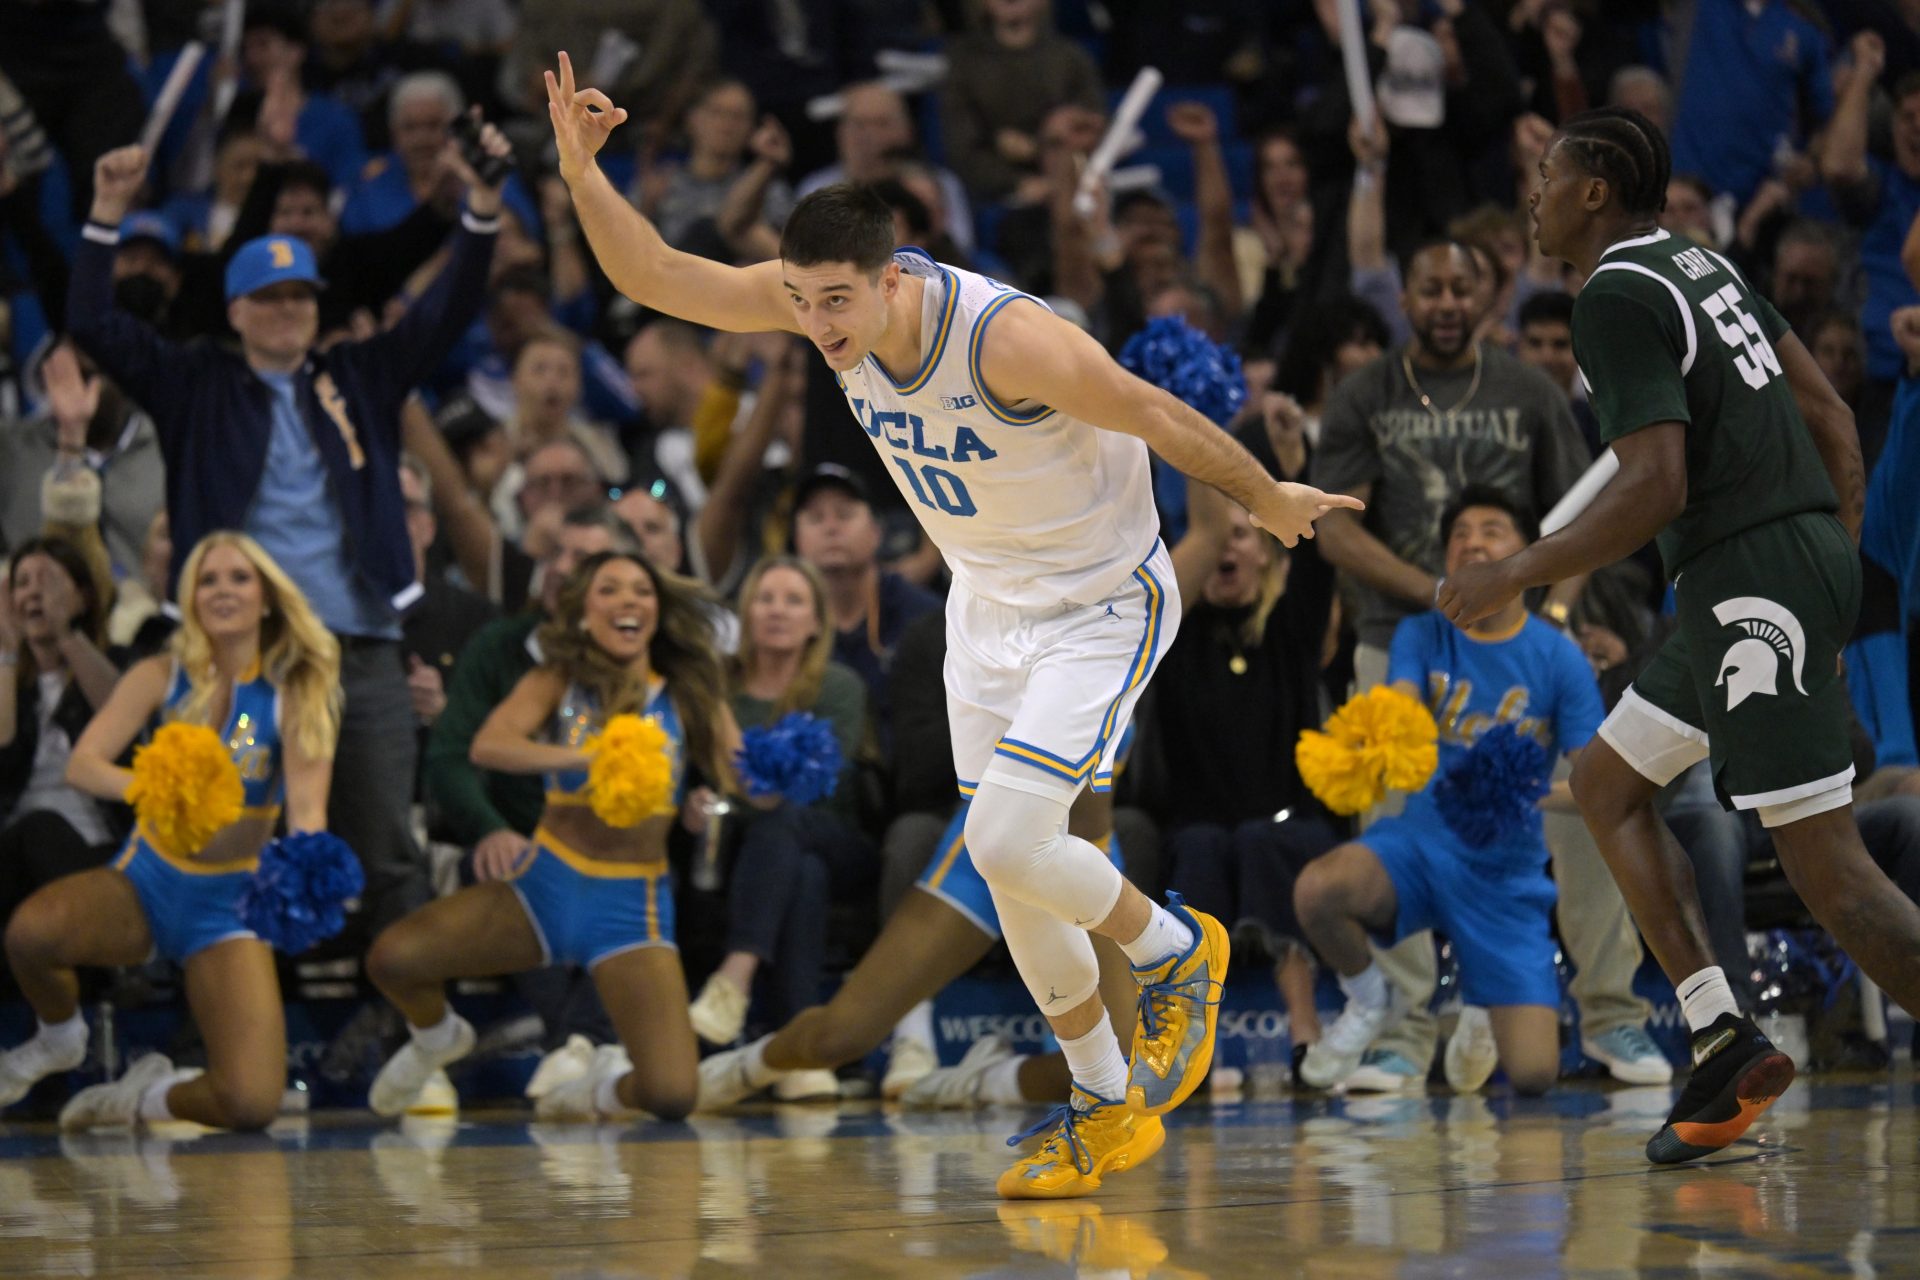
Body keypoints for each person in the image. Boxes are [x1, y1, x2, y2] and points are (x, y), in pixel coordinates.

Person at [545, 51, 1359, 1199]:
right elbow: (662, 275)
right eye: (805, 299)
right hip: (986, 606)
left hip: (1097, 601)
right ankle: (1102, 1104)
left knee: (1011, 841)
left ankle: (1182, 951)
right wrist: (581, 171)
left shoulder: (1007, 340)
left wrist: (1270, 496)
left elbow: (1154, 407)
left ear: (891, 281)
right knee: (1019, 876)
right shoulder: (810, 297)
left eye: (840, 300)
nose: (821, 325)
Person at [1441, 106, 1920, 1163]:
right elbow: (1835, 417)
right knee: (1608, 783)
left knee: (1830, 873)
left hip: (1749, 575)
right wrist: (1825, 570)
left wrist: (1516, 566)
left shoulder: (1614, 292)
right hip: (1768, 572)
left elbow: (1655, 484)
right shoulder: (1701, 264)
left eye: (1547, 176)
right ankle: (1719, 1033)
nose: (1534, 196)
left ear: (1596, 190)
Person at [66, 126, 510, 950]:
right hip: (236, 661)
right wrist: (104, 216)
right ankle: (227, 1030)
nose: (288, 310)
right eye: (269, 299)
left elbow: (446, 312)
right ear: (235, 312)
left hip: (360, 646)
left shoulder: (359, 376)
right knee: (218, 839)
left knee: (387, 849)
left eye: (301, 296)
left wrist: (481, 210)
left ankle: (411, 1027)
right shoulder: (193, 382)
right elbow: (92, 321)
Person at [364, 550, 729, 1122]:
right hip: (543, 888)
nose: (628, 601)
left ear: (658, 611)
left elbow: (743, 773)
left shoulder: (687, 691)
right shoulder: (557, 679)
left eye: (641, 591)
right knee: (393, 958)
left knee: (672, 1095)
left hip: (632, 911)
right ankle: (436, 1037)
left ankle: (591, 1094)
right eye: (609, 590)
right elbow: (489, 744)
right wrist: (587, 756)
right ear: (584, 611)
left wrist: (772, 775)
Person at [0, 533, 340, 1129]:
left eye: (239, 578)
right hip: (147, 881)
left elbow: (309, 813)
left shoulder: (296, 693)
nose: (223, 591)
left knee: (251, 1103)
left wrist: (304, 885)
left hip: (229, 906)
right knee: (30, 934)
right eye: (208, 580)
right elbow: (85, 762)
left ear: (266, 598)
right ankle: (59, 1036)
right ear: (190, 597)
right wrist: (148, 787)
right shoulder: (162, 673)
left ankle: (143, 1097)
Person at [1297, 489, 1605, 1096]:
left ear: (1526, 556)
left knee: (1537, 1075)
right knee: (1318, 891)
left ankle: (1480, 1008)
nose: (1473, 541)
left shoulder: (1558, 658)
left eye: (1493, 529)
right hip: (1416, 847)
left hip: (1504, 875)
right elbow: (1402, 706)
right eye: (1460, 533)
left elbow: (1597, 784)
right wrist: (1373, 741)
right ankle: (1367, 1001)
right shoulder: (1421, 634)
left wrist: (1529, 793)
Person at [684, 556, 872, 1065]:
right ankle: (798, 1055)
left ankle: (735, 977)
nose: (777, 611)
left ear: (816, 622)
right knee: (800, 874)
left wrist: (741, 781)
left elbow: (813, 785)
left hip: (837, 839)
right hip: (754, 852)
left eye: (794, 601)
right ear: (747, 614)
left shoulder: (837, 686)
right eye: (765, 599)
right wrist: (695, 805)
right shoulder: (719, 687)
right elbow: (701, 776)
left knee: (787, 821)